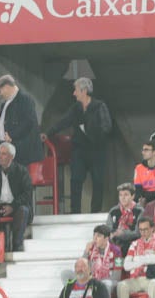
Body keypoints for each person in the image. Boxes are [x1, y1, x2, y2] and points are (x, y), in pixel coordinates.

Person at [51, 77, 114, 213]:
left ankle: (95, 212)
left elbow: (107, 127)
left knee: (98, 182)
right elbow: (63, 121)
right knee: (75, 180)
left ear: (84, 91)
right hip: (80, 150)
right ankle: (75, 212)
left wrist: (92, 132)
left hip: (97, 150)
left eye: (76, 90)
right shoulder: (75, 108)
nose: (74, 93)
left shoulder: (99, 106)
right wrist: (49, 132)